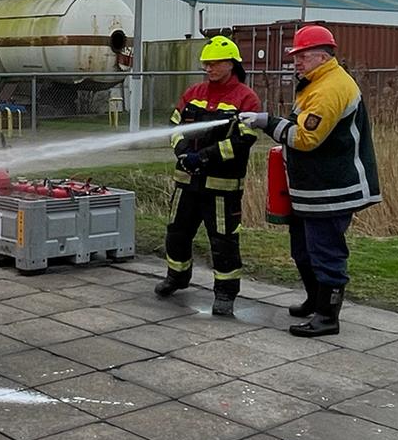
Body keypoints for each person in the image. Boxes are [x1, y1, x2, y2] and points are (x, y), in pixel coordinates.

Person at [241, 24, 381, 337]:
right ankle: (315, 300)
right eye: (296, 56)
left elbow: (306, 138)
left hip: (332, 189)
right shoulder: (316, 83)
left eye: (302, 56)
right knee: (303, 250)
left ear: (322, 56)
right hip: (312, 189)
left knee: (326, 252)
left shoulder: (331, 88)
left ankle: (327, 317)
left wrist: (267, 122)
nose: (296, 62)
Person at [154, 35, 260, 317]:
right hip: (186, 183)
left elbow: (243, 140)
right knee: (176, 233)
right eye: (206, 63)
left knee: (223, 241)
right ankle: (177, 276)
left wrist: (203, 157)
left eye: (214, 63)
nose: (208, 68)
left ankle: (225, 293)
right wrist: (183, 153)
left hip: (221, 188)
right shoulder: (194, 93)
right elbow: (174, 127)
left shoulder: (246, 98)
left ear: (231, 64)